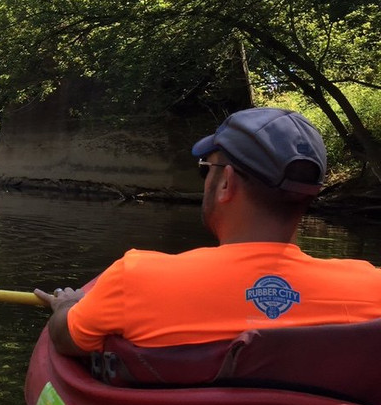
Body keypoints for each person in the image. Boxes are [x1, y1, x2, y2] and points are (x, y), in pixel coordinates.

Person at [34, 107, 381, 357]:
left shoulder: (136, 278)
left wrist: (67, 306)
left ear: (226, 182)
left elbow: (66, 339)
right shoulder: (372, 289)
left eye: (206, 169)